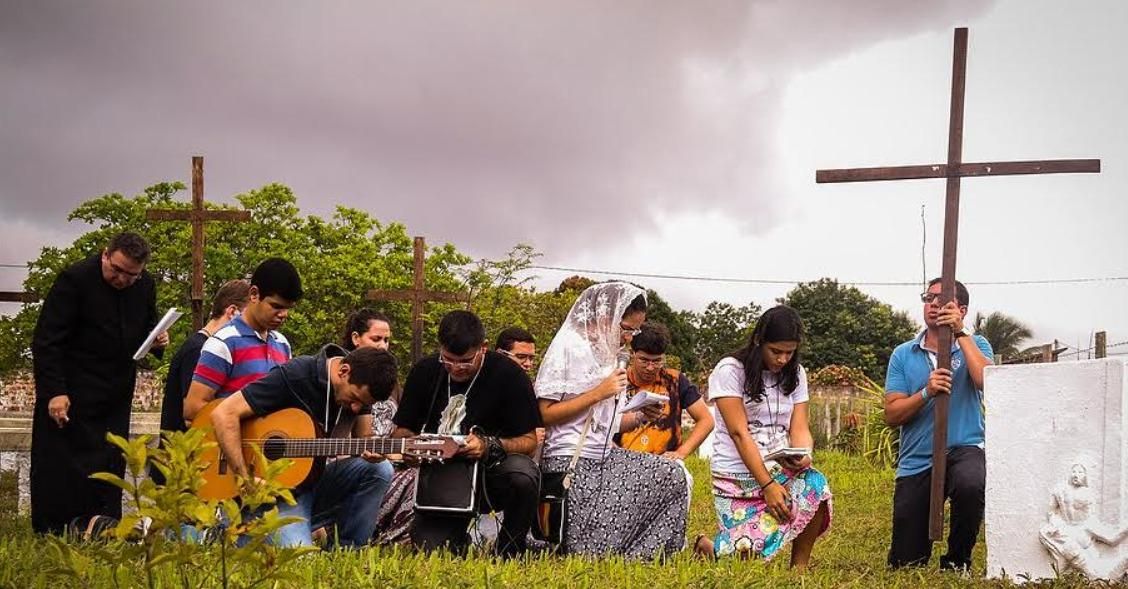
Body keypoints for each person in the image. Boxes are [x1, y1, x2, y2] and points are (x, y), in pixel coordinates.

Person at [536, 281, 688, 558]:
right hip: (569, 459)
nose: (630, 337)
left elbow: (605, 425)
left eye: (635, 330)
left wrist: (642, 415)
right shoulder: (569, 347)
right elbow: (544, 414)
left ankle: (641, 555)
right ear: (607, 317)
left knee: (673, 475)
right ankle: (592, 548)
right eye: (626, 328)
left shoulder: (607, 354)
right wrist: (598, 392)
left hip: (604, 456)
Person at [30, 232, 168, 534]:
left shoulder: (144, 286)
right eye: (116, 269)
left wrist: (159, 340)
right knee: (61, 466)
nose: (122, 279)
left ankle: (104, 528)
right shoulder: (74, 279)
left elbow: (147, 329)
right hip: (70, 390)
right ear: (106, 254)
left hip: (115, 392)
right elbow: (47, 341)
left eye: (131, 274)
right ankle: (55, 530)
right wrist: (55, 391)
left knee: (108, 463)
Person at [208, 345, 397, 548]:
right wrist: (243, 477)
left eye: (363, 404)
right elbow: (223, 413)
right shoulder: (296, 375)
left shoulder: (362, 387)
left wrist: (376, 449)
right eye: (355, 399)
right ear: (344, 371)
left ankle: (350, 549)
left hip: (307, 485)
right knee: (299, 560)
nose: (356, 408)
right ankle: (229, 527)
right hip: (263, 491)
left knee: (379, 468)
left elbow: (364, 439)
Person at [392, 310, 541, 557]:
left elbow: (529, 442)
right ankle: (456, 540)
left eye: (465, 361)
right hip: (440, 477)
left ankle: (510, 550)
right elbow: (401, 431)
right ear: (440, 347)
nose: (456, 368)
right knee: (433, 555)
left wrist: (488, 445)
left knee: (523, 475)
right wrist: (409, 448)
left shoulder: (510, 375)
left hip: (490, 473)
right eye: (448, 360)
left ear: (483, 348)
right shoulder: (425, 371)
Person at [694, 305, 832, 570]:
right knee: (741, 559)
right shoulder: (730, 370)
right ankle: (710, 548)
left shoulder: (797, 373)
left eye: (789, 353)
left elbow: (800, 425)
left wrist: (804, 454)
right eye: (776, 351)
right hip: (736, 475)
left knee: (816, 484)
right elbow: (739, 433)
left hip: (779, 466)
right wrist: (767, 485)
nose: (782, 359)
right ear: (759, 342)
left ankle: (799, 568)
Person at [884, 277, 993, 571]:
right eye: (928, 297)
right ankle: (914, 552)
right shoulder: (903, 354)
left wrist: (960, 334)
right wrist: (925, 392)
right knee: (906, 564)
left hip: (963, 446)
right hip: (917, 459)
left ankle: (958, 561)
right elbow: (892, 414)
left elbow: (986, 381)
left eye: (942, 299)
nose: (933, 304)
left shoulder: (977, 344)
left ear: (962, 309)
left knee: (971, 482)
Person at [183, 258, 302, 423]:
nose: (283, 314)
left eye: (288, 308)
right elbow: (193, 407)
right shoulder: (223, 343)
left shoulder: (283, 345)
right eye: (276, 306)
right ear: (254, 294)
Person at [158, 279, 250, 435]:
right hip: (182, 450)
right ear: (232, 312)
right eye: (249, 317)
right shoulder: (199, 349)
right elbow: (192, 415)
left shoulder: (202, 345)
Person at [617, 322, 714, 460]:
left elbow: (706, 420)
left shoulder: (675, 380)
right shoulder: (618, 382)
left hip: (665, 465)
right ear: (632, 354)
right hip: (623, 463)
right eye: (644, 360)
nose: (650, 367)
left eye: (657, 361)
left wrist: (682, 452)